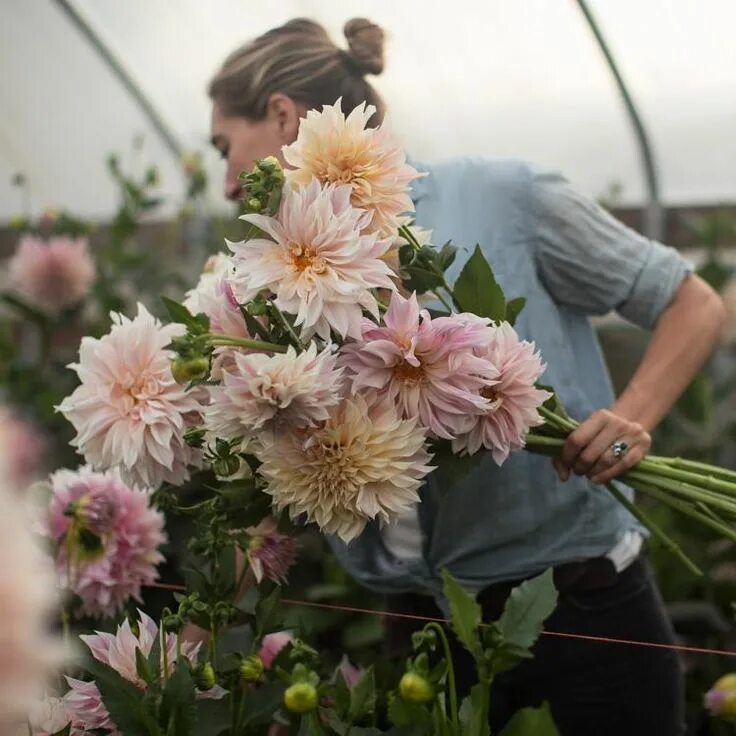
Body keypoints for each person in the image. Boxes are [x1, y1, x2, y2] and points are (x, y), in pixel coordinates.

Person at [208, 17, 726, 735]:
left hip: (579, 611)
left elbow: (691, 303)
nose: (228, 179)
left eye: (223, 146)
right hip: (416, 626)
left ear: (282, 115)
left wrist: (631, 417)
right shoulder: (274, 283)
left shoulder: (503, 197)